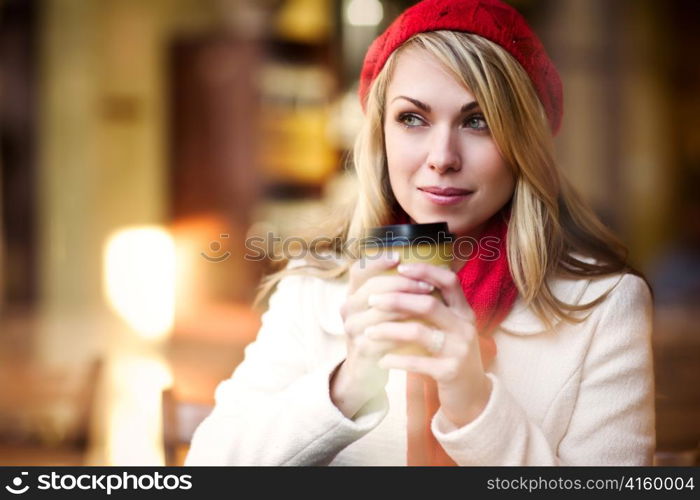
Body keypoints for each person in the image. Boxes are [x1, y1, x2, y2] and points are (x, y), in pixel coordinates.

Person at [185, 0, 655, 466]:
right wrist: (347, 384)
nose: (442, 156)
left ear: (524, 144)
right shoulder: (313, 286)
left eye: (478, 121)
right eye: (412, 118)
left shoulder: (607, 305)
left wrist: (473, 405)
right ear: (381, 135)